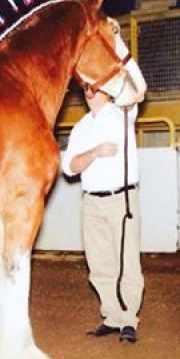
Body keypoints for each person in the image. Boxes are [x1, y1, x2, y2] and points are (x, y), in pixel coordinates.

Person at [61, 89, 144, 343]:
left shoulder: (122, 114)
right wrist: (94, 152)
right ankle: (112, 316)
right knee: (98, 263)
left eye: (95, 86)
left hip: (121, 197)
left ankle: (129, 319)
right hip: (91, 201)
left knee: (125, 260)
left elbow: (135, 92)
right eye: (85, 87)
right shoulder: (81, 127)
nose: (89, 91)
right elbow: (69, 167)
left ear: (108, 91)